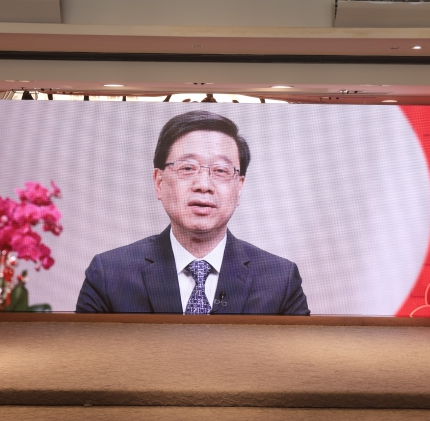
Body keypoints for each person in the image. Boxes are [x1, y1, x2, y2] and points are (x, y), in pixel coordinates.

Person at [76, 110, 310, 315]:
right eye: (187, 168)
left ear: (239, 187)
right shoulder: (109, 274)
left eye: (220, 170)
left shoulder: (280, 279)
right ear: (159, 182)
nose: (203, 185)